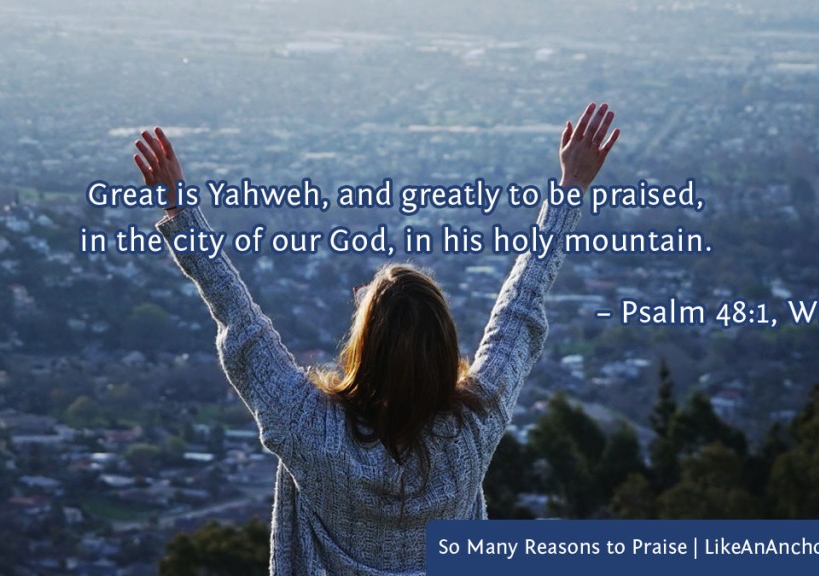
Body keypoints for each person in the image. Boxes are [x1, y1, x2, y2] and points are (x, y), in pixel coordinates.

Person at [133, 102, 619, 575]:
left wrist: (180, 208)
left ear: (365, 345)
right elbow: (520, 309)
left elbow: (240, 321)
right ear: (443, 345)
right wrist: (570, 189)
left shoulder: (310, 429)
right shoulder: (472, 429)